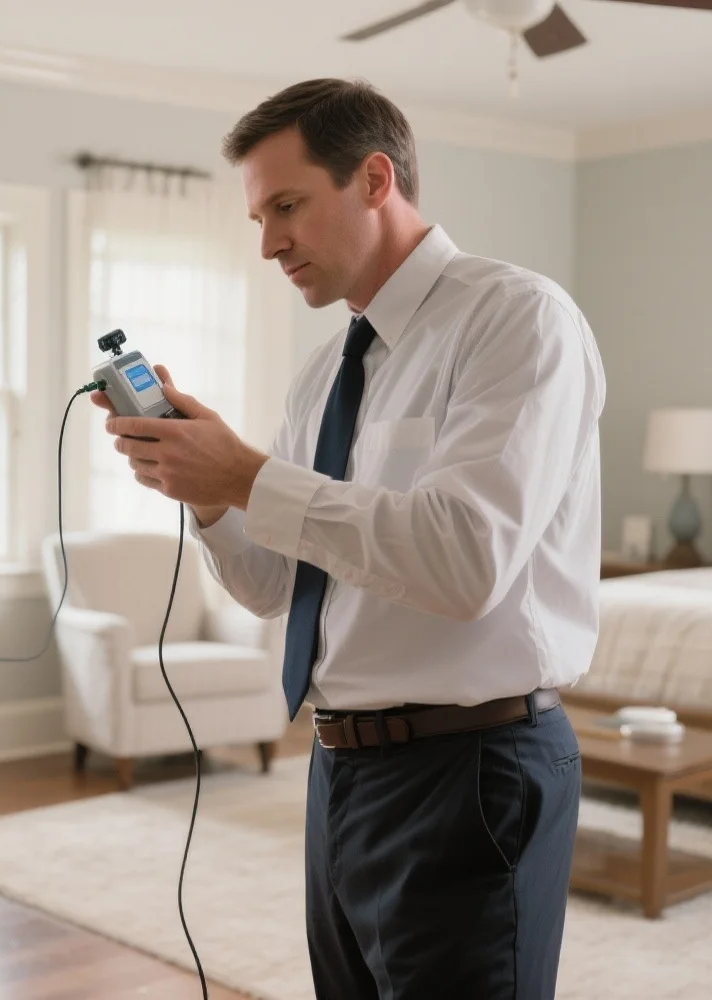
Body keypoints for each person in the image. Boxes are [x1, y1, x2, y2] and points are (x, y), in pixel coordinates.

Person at [93, 77, 605, 1000]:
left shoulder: (517, 320)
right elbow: (272, 587)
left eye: (287, 206)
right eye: (259, 218)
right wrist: (207, 497)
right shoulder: (325, 370)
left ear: (375, 179)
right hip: (340, 771)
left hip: (474, 770)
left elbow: (466, 561)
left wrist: (248, 476)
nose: (268, 244)